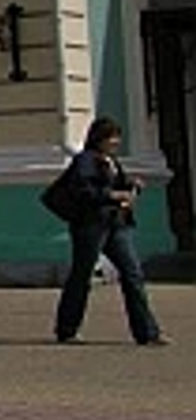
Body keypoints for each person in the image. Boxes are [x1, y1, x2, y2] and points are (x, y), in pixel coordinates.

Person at [54, 117, 169, 346]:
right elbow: (83, 190)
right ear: (99, 138)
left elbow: (117, 184)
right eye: (111, 137)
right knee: (82, 275)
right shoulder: (85, 160)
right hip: (91, 226)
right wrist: (112, 195)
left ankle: (147, 333)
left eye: (117, 136)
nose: (116, 141)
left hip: (117, 224)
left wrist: (131, 185)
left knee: (133, 274)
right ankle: (67, 329)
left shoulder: (111, 161)